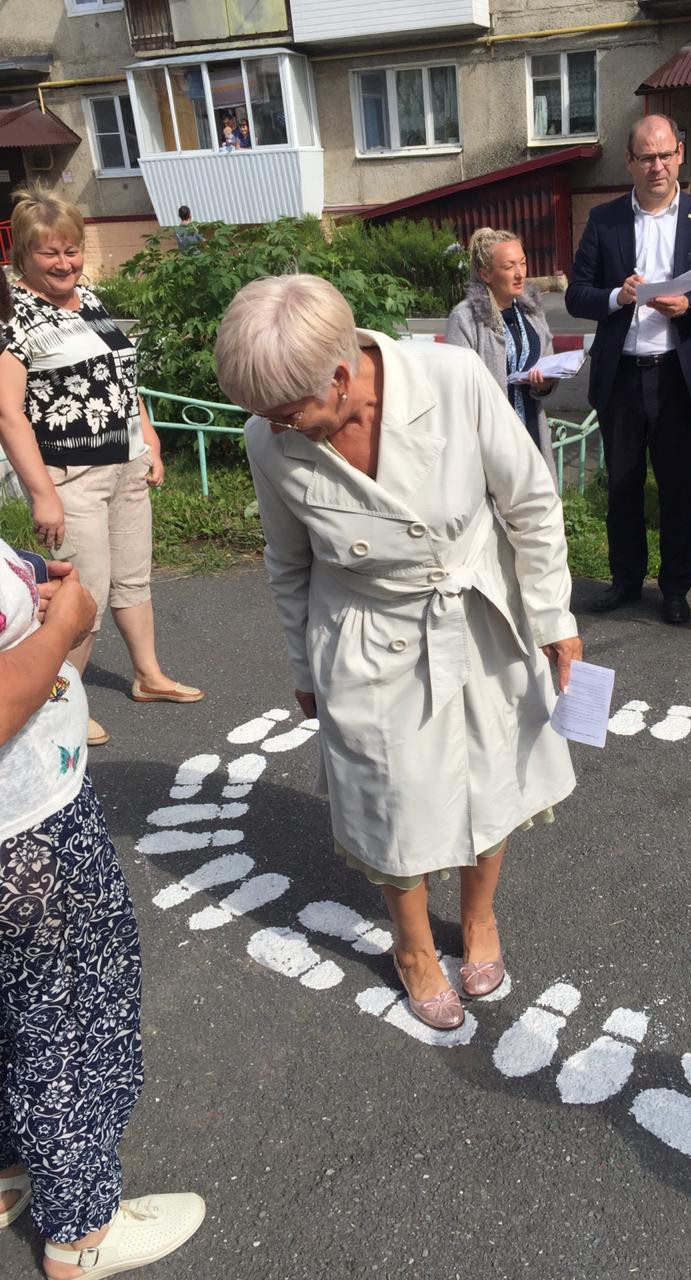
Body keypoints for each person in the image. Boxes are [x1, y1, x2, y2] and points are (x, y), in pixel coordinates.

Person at [215, 274, 581, 1032]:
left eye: (290, 413)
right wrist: (302, 667)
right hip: (365, 629)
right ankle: (414, 948)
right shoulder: (268, 437)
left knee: (493, 774)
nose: (278, 429)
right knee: (392, 798)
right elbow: (288, 564)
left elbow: (530, 502)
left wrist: (552, 614)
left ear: (341, 376)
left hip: (479, 611)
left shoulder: (450, 379)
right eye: (266, 417)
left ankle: (478, 919)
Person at [0, 269, 206, 1280]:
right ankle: (80, 1229)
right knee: (70, 1006)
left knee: (9, 1004)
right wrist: (64, 629)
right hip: (18, 821)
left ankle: (8, 1164)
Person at [0, 187, 202, 748]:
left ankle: (148, 675)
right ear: (24, 255)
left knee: (133, 578)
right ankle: (61, 701)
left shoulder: (89, 298)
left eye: (71, 250)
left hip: (126, 461)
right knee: (80, 596)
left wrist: (151, 440)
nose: (65, 263)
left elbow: (121, 378)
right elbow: (7, 413)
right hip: (71, 474)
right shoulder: (13, 317)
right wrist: (42, 493)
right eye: (50, 254)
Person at [566, 114, 691, 622]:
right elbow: (578, 295)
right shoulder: (605, 220)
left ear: (680, 155)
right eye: (647, 157)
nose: (658, 166)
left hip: (675, 375)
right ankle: (625, 581)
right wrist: (614, 296)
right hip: (621, 373)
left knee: (677, 487)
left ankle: (675, 588)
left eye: (666, 155)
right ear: (630, 162)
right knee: (622, 485)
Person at [445, 227, 557, 482]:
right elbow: (455, 387)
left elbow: (548, 364)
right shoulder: (465, 318)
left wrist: (545, 383)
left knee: (537, 508)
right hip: (489, 442)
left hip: (532, 432)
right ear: (486, 274)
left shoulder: (532, 313)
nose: (520, 274)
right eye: (509, 266)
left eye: (523, 263)